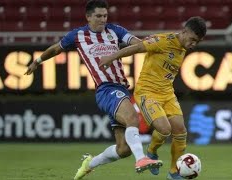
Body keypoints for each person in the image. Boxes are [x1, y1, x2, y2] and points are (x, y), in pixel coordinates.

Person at [24, 0, 163, 180]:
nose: (102, 19)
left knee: (123, 149)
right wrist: (37, 61)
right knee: (133, 118)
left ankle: (89, 164)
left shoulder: (115, 30)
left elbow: (137, 43)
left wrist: (153, 46)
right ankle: (142, 159)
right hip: (106, 89)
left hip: (121, 89)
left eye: (105, 15)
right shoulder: (77, 35)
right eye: (98, 16)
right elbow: (56, 49)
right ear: (88, 17)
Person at [99, 16, 207, 179]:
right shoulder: (162, 40)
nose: (193, 44)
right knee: (164, 129)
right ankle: (151, 151)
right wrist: (111, 57)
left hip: (167, 94)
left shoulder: (183, 48)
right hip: (147, 92)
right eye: (192, 39)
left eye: (196, 42)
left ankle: (173, 172)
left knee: (180, 132)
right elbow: (136, 48)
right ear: (184, 32)